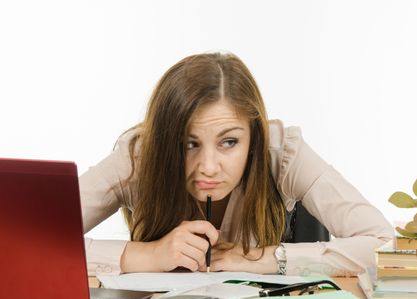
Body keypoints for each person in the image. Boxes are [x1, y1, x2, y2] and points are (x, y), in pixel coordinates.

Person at [80, 52, 394, 277]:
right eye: (189, 144)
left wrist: (266, 258)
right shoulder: (140, 155)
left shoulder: (281, 150)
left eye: (229, 142)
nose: (209, 167)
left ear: (254, 137)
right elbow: (32, 241)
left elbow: (385, 245)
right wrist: (148, 255)